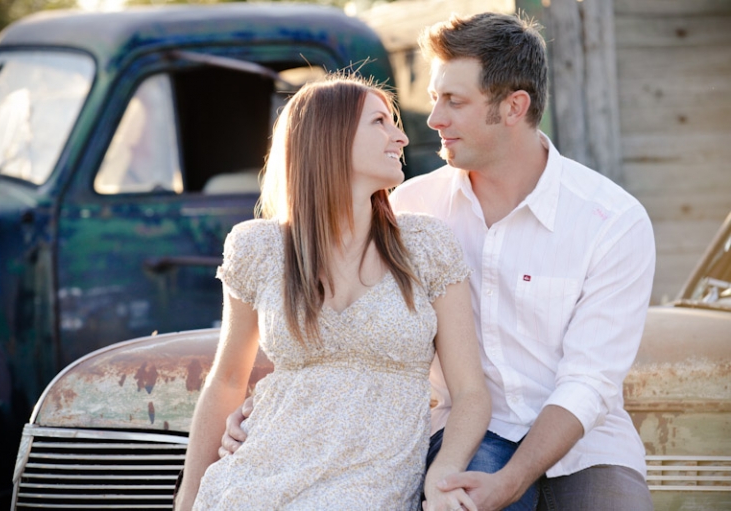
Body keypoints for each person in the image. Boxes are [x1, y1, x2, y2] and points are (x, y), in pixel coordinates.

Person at [221, 12, 656, 511]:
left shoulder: (611, 221)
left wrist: (513, 481)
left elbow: (589, 384)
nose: (432, 121)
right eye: (433, 99)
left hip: (584, 444)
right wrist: (264, 411)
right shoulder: (408, 208)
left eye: (455, 101)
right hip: (463, 434)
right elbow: (327, 320)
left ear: (514, 107)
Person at [174, 75, 491, 510]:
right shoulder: (259, 247)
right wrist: (187, 500)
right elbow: (227, 379)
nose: (400, 136)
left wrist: (442, 473)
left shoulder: (425, 245)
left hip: (368, 483)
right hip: (258, 472)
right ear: (330, 138)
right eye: (380, 122)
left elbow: (471, 393)